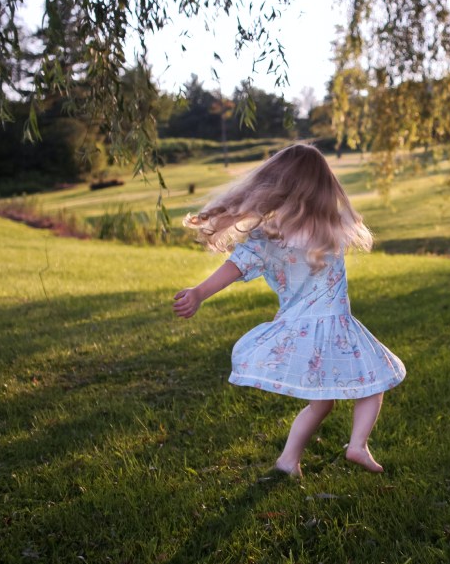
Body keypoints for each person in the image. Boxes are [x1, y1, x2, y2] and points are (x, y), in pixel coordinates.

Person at [173, 143, 405, 476]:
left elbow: (235, 267)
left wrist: (199, 293)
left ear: (275, 187)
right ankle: (357, 445)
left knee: (321, 403)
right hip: (337, 327)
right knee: (374, 381)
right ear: (324, 187)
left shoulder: (270, 238)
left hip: (299, 328)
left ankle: (288, 460)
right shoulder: (333, 228)